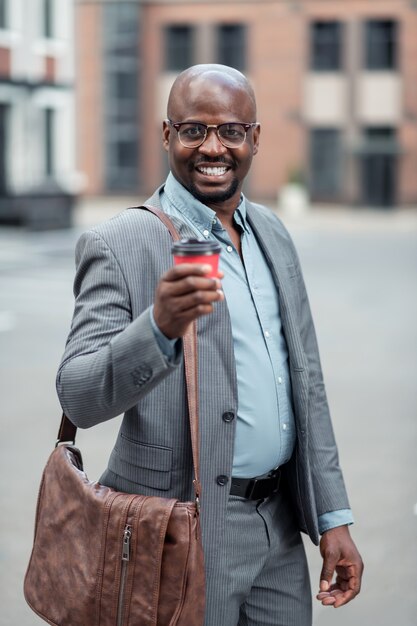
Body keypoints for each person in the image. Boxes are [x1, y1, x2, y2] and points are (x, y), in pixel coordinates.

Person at [57, 64, 363, 626]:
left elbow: (306, 385)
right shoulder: (119, 243)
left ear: (255, 138)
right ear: (167, 135)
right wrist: (158, 328)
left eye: (231, 131)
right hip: (179, 531)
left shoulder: (272, 233)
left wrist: (333, 516)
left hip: (278, 528)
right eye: (194, 130)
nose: (213, 147)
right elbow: (78, 396)